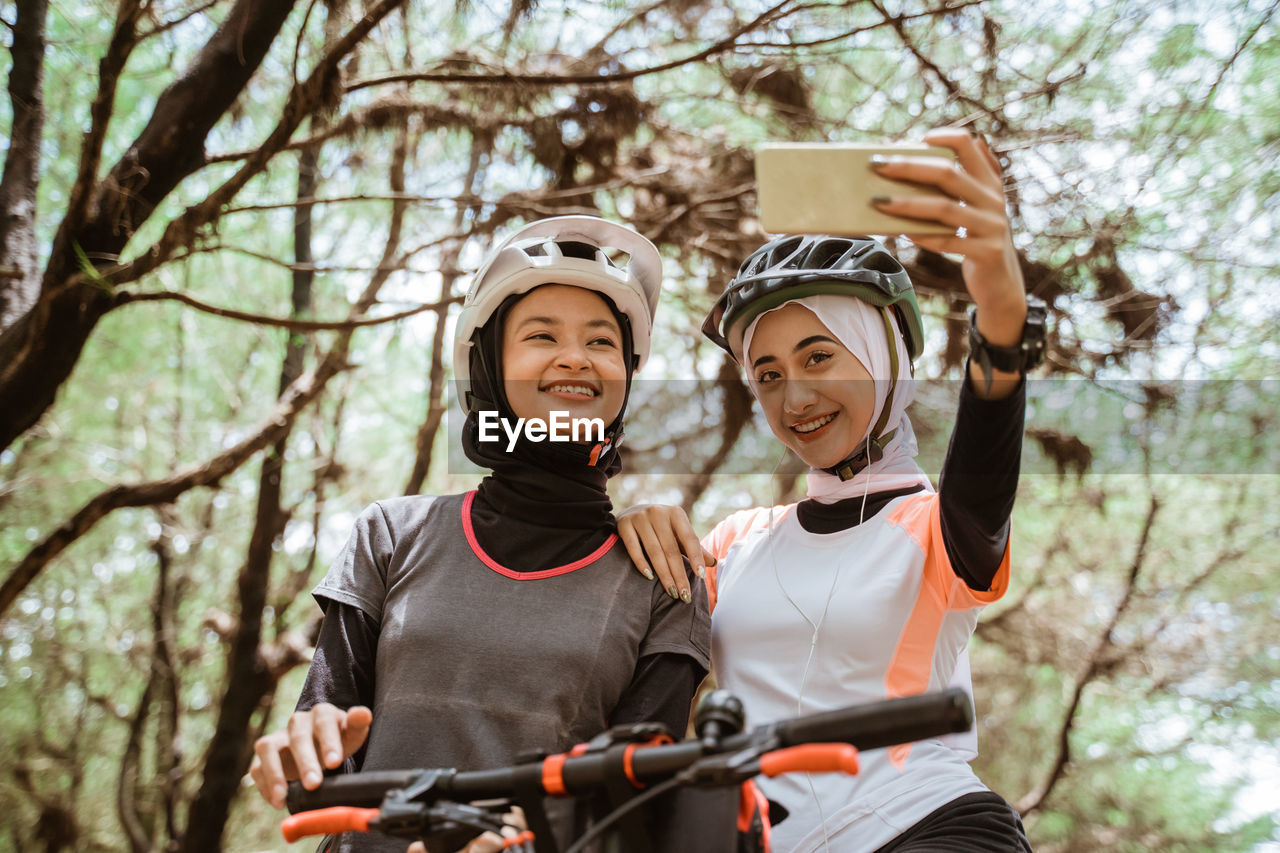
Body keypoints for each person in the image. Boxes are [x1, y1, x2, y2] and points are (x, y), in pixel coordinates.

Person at [617, 128, 1040, 852]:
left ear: (883, 359)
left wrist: (1000, 315)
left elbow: (985, 455)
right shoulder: (734, 540)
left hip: (930, 826)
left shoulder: (938, 525)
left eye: (820, 355)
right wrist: (626, 518)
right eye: (769, 373)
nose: (796, 395)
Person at [249, 215, 711, 853]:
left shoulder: (663, 576)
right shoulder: (392, 533)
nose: (575, 357)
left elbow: (635, 791)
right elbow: (325, 731)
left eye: (602, 342)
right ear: (490, 368)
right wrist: (304, 749)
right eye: (541, 335)